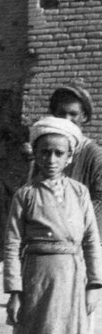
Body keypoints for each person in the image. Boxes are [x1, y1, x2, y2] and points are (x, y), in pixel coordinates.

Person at [4, 116, 102, 334]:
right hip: (38, 280)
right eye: (45, 152)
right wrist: (14, 291)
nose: (51, 160)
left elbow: (91, 240)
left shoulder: (80, 193)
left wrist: (95, 284)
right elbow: (12, 244)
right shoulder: (25, 194)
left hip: (73, 280)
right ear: (35, 154)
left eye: (59, 153)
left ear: (70, 157)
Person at [48, 84, 102, 237]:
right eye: (61, 114)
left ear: (83, 116)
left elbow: (99, 206)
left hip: (82, 241)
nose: (67, 120)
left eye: (73, 114)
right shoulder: (47, 153)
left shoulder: (94, 156)